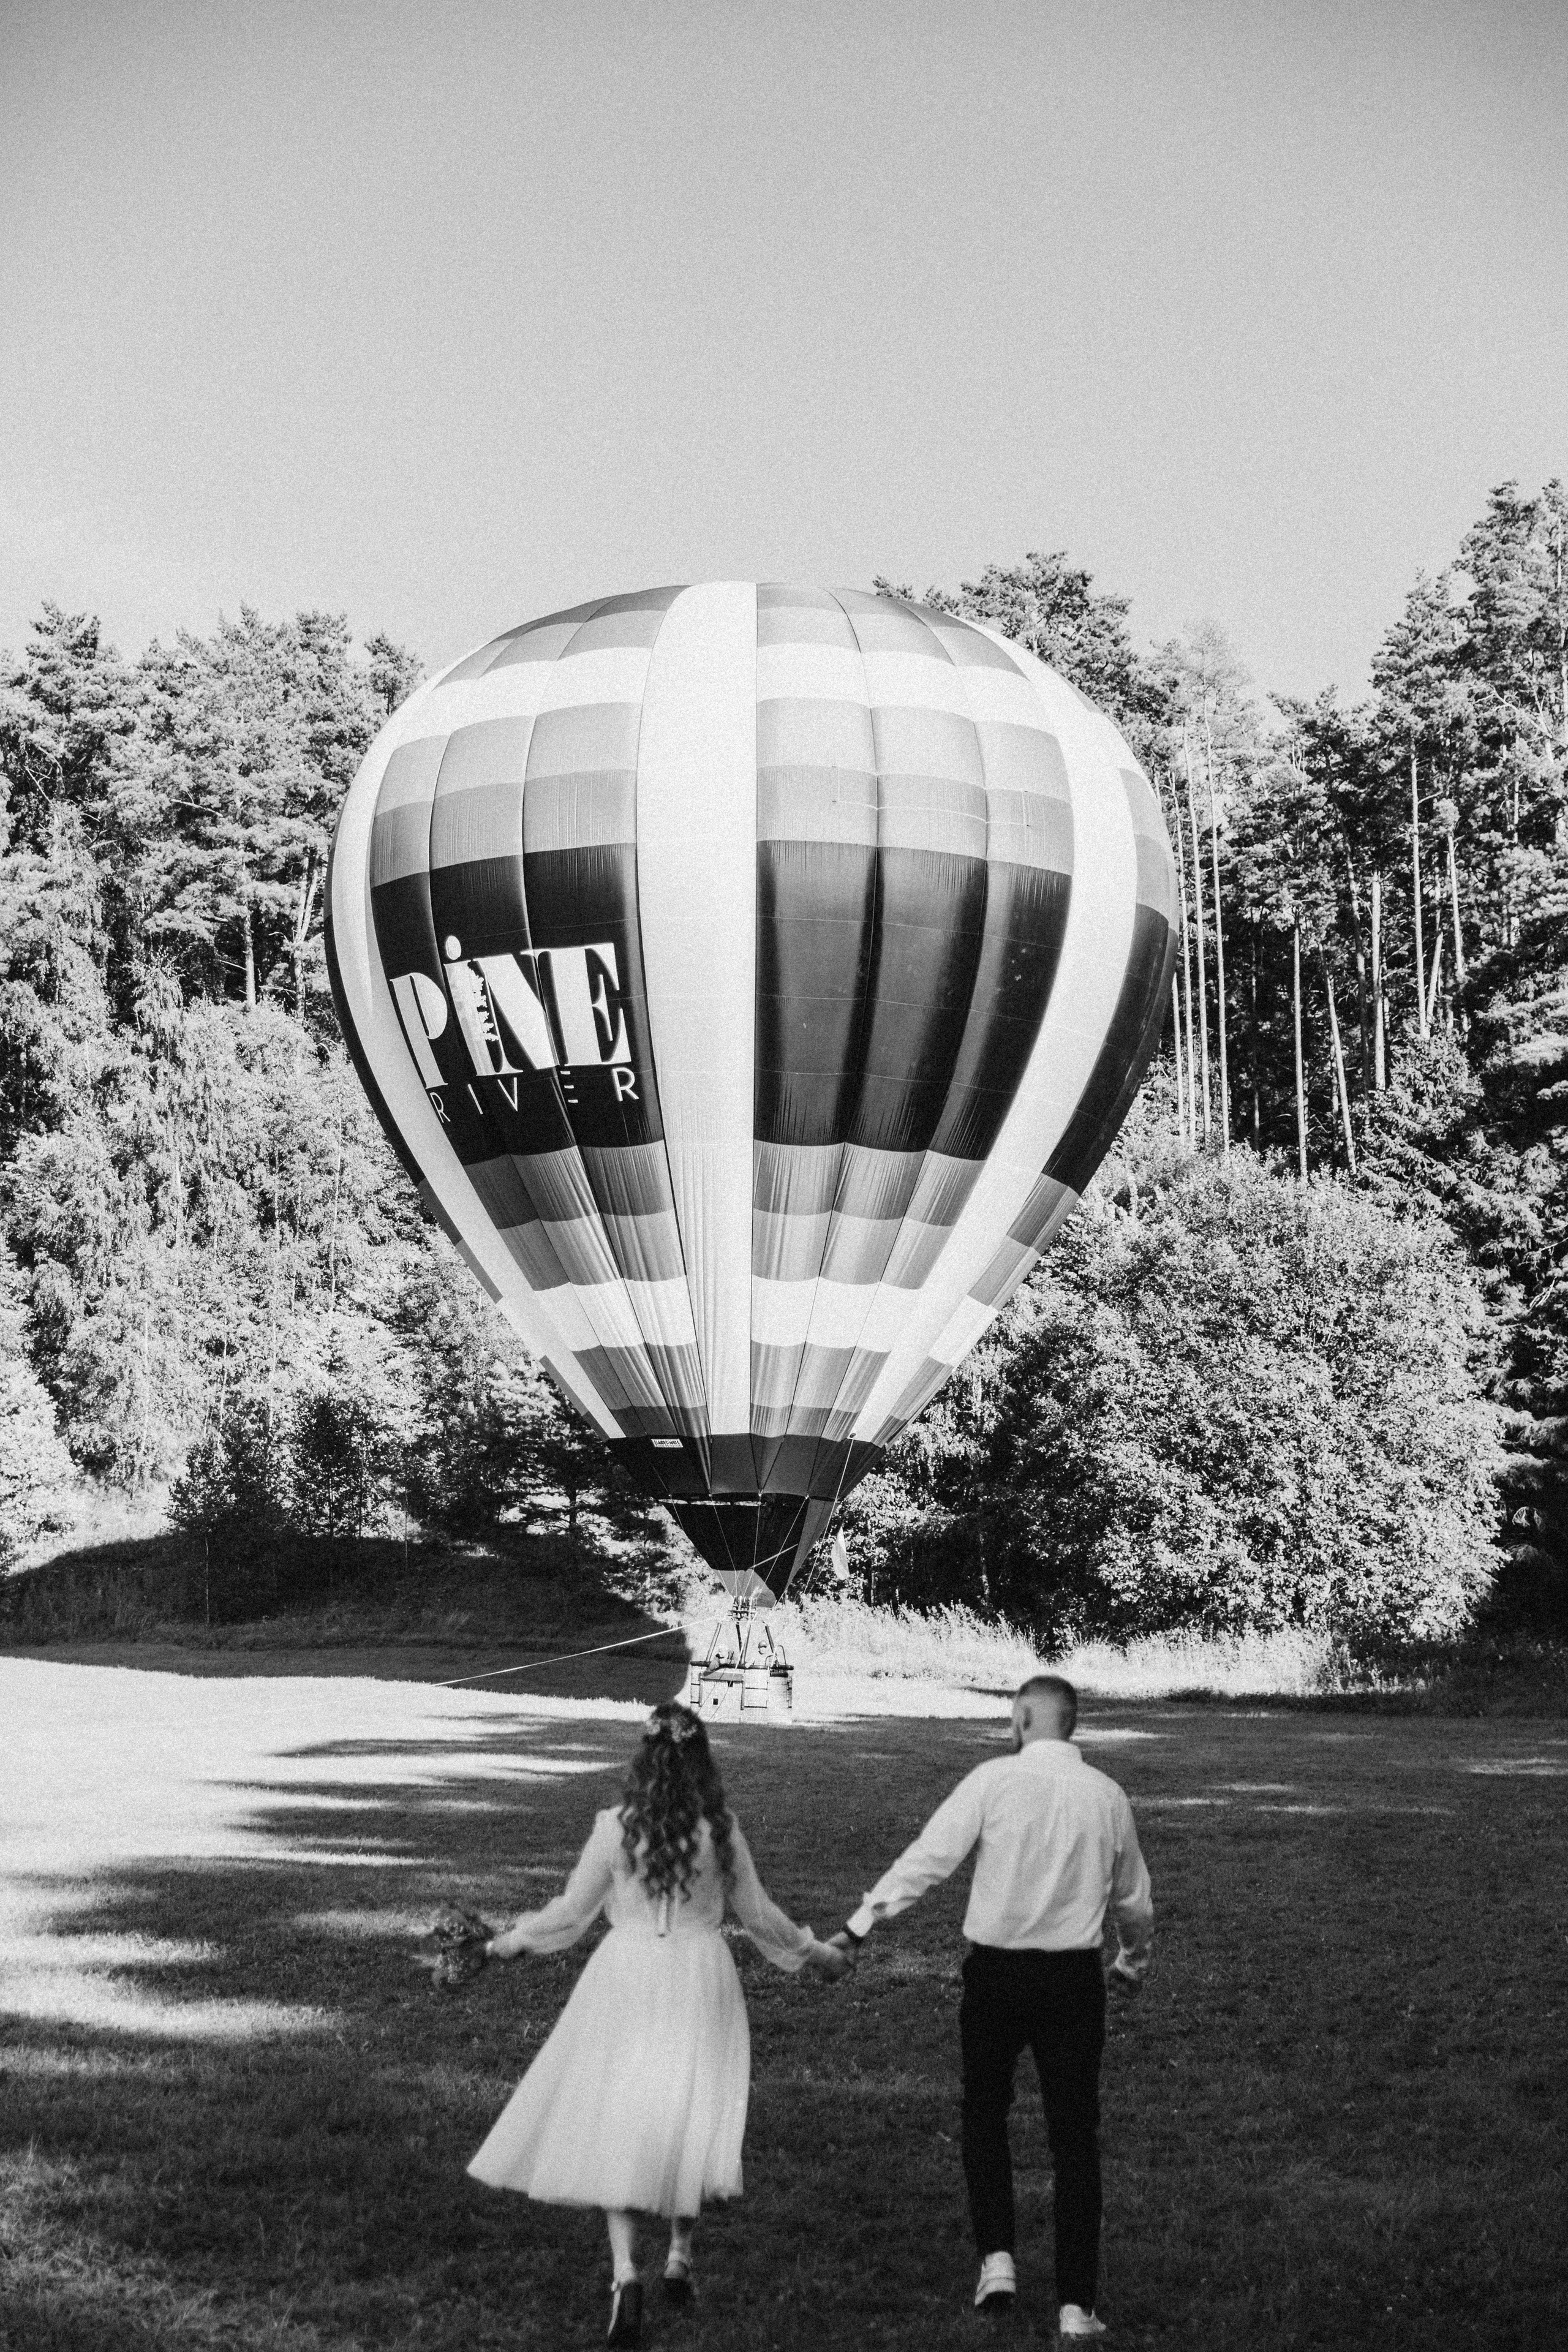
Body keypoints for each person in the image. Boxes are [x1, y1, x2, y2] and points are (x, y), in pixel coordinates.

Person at [468, 1700, 848, 2346]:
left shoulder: (614, 1827)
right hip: (700, 1973)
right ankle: (679, 2256)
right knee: (687, 2107)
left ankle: (625, 2274)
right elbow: (759, 1916)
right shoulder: (719, 1829)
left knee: (622, 2113)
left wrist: (503, 1943)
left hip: (627, 1974)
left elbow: (568, 1913)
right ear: (703, 1762)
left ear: (641, 1760)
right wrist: (818, 1954)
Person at [830, 1673, 1153, 2339]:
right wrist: (1132, 1960)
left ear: (1025, 1718)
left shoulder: (991, 1781)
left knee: (984, 2114)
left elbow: (929, 1859)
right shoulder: (1106, 1796)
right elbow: (1133, 1899)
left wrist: (860, 1925)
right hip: (1072, 1983)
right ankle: (1076, 2304)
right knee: (1073, 2136)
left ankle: (997, 2260)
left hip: (996, 1976)